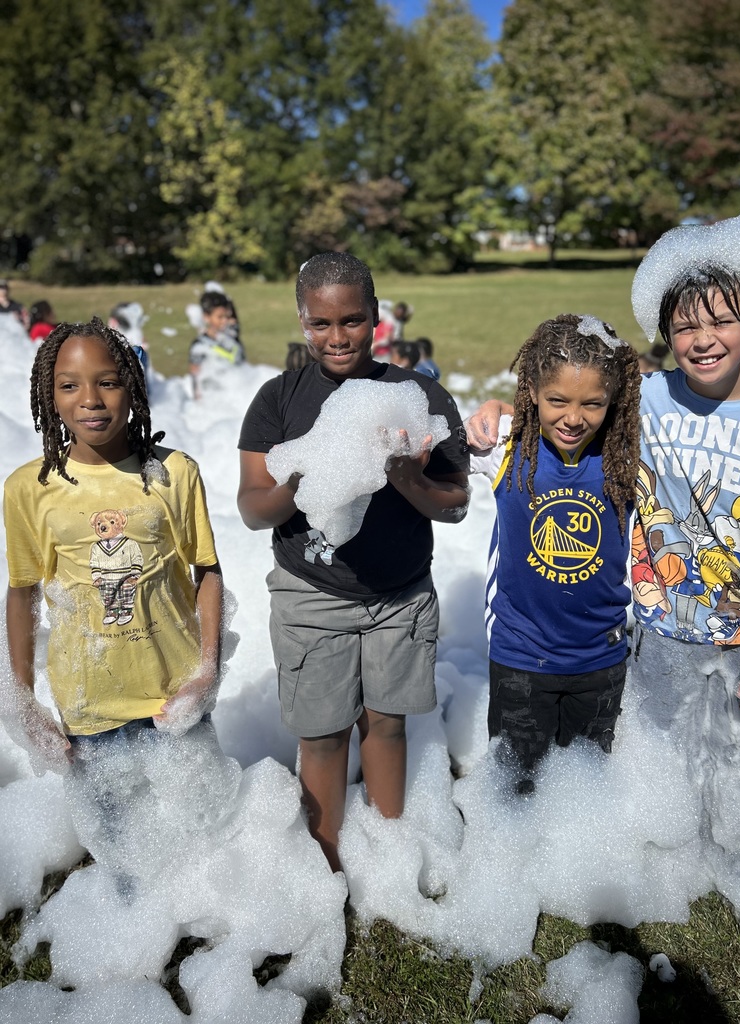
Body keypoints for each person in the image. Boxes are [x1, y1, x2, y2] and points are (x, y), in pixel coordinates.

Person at [465, 211, 740, 853]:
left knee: (739, 781)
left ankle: (722, 866)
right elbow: (560, 392)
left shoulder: (655, 418)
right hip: (656, 635)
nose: (703, 339)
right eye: (685, 327)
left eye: (721, 322)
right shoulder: (644, 400)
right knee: (645, 772)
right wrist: (494, 410)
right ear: (665, 336)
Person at [237, 252, 469, 873]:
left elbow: (455, 504)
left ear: (377, 319)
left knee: (387, 724)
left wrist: (406, 478)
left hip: (399, 596)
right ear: (301, 320)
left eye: (353, 321)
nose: (337, 337)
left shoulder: (416, 396)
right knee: (321, 734)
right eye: (320, 324)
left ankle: (388, 854)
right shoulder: (278, 399)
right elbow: (254, 508)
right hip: (311, 594)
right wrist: (308, 477)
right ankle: (326, 860)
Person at [3, 318, 224, 881]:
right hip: (89, 703)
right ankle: (138, 945)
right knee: (122, 856)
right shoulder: (30, 488)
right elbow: (23, 594)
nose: (91, 400)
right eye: (69, 385)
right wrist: (24, 703)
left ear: (134, 387)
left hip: (173, 697)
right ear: (48, 397)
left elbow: (207, 573)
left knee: (201, 840)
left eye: (107, 382)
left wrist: (205, 673)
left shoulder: (173, 473)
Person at [468, 314, 640, 793]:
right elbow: (437, 457)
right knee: (513, 793)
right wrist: (487, 412)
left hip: (601, 662)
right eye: (556, 400)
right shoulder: (505, 446)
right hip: (520, 657)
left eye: (593, 403)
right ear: (532, 396)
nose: (573, 417)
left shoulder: (627, 453)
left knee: (585, 796)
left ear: (613, 403)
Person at [188, 290, 245, 400]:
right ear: (206, 317)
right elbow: (196, 382)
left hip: (237, 397)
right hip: (215, 401)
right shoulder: (200, 346)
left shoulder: (232, 340)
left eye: (227, 317)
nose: (224, 321)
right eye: (219, 317)